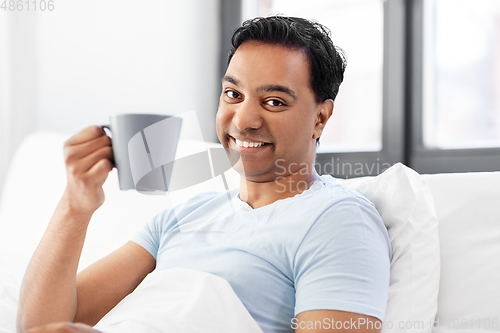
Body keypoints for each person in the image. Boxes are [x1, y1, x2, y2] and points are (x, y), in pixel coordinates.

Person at [17, 16, 391, 333]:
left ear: (320, 118)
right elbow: (40, 324)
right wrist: (74, 207)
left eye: (274, 102)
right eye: (233, 94)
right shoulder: (181, 217)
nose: (243, 121)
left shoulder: (339, 219)